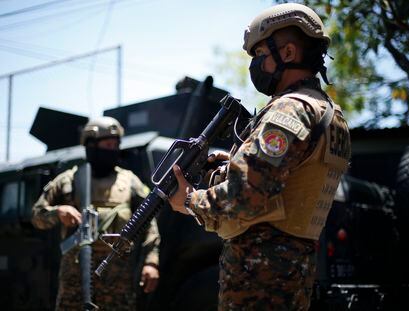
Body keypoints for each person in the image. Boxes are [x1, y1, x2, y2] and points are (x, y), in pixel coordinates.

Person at [168, 3, 351, 310]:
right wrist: (231, 164)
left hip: (259, 278)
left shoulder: (288, 110)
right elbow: (290, 178)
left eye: (260, 54)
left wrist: (189, 201)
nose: (255, 64)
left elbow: (247, 198)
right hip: (293, 273)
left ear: (289, 53)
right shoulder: (331, 114)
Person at [32, 116, 160, 310]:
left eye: (115, 145)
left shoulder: (129, 181)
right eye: (107, 145)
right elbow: (37, 216)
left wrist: (152, 262)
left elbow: (149, 221)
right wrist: (58, 212)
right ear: (91, 145)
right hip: (75, 280)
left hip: (117, 280)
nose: (112, 150)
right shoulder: (68, 180)